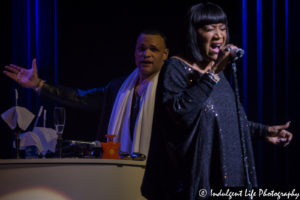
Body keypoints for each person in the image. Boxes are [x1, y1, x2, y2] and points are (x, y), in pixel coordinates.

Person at [141, 2, 293, 200]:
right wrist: (212, 74)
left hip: (230, 180)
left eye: (222, 28)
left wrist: (265, 132)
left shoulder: (218, 74)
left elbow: (224, 121)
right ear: (194, 33)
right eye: (209, 29)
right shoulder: (176, 68)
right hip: (194, 182)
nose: (219, 35)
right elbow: (179, 114)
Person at [3, 29, 169, 157]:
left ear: (165, 54)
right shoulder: (118, 87)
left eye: (153, 49)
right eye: (141, 48)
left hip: (159, 172)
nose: (146, 54)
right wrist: (38, 84)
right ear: (135, 53)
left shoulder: (172, 90)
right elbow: (80, 98)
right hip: (119, 170)